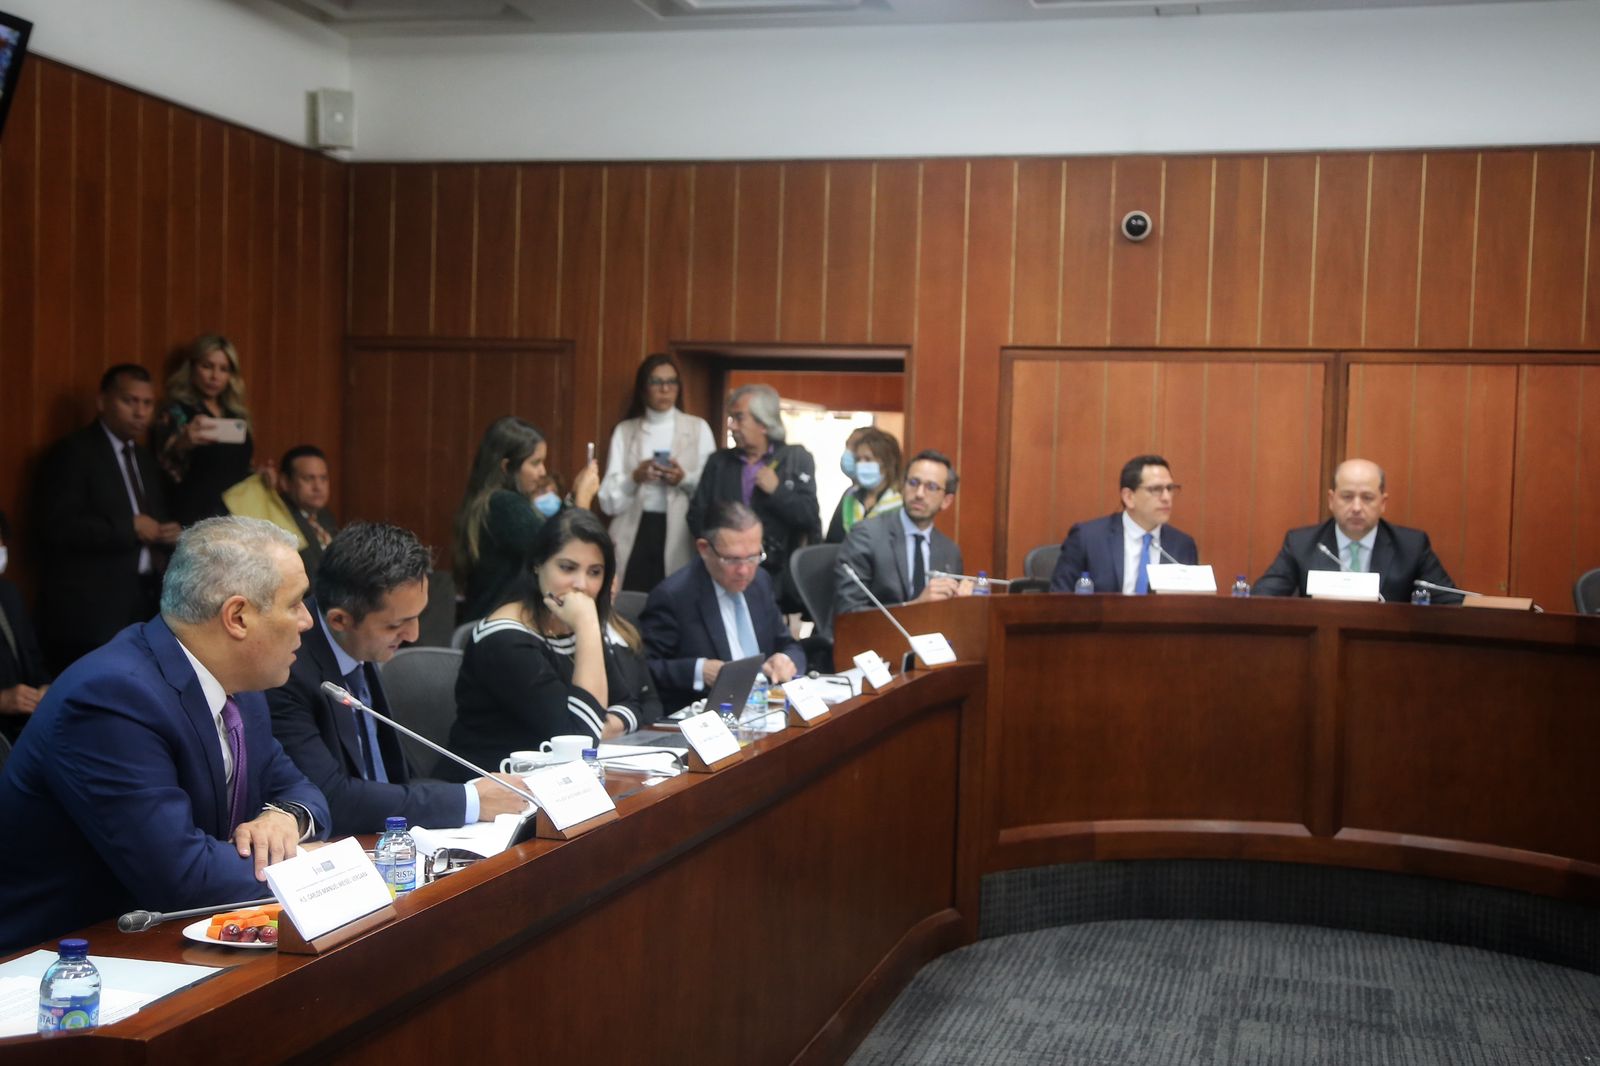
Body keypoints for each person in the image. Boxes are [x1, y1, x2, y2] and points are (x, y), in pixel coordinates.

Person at [0, 517, 330, 955]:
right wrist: (312, 867)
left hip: (165, 939)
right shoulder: (113, 697)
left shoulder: (240, 685)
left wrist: (284, 818)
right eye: (295, 603)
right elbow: (181, 875)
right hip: (65, 958)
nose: (308, 620)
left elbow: (302, 790)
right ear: (237, 617)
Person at [267, 523, 527, 836]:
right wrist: (470, 801)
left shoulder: (358, 643)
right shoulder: (285, 670)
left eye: (418, 616)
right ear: (340, 620)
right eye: (396, 625)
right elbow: (331, 799)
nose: (413, 635)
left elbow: (390, 779)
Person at [439, 508, 658, 782]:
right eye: (567, 568)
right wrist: (588, 626)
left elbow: (631, 704)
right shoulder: (505, 639)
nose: (582, 585)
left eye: (595, 572)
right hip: (491, 787)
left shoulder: (574, 623)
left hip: (556, 784)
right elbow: (580, 739)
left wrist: (596, 725)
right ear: (537, 564)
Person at [33, 364, 181, 674]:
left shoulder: (144, 459)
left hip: (146, 599)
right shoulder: (74, 452)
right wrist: (128, 527)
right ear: (102, 402)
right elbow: (57, 526)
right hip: (91, 607)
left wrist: (167, 531)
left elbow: (153, 516)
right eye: (130, 401)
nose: (140, 412)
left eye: (147, 403)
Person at [641, 501, 806, 714]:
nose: (744, 571)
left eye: (753, 557)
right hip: (709, 716)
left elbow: (788, 644)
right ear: (704, 549)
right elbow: (645, 669)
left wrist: (786, 660)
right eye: (732, 559)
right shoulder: (674, 596)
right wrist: (699, 670)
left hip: (765, 708)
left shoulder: (760, 581)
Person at [687, 385, 820, 614]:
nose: (732, 426)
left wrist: (777, 492)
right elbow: (696, 515)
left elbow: (808, 516)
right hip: (722, 576)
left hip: (775, 582)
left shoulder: (796, 458)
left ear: (764, 423)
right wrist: (726, 549)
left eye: (739, 418)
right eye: (731, 418)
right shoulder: (718, 462)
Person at [1253, 458, 1462, 604]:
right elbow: (1261, 598)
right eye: (1347, 497)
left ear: (1383, 503)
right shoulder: (1301, 544)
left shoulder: (1411, 547)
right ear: (1331, 500)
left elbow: (1452, 604)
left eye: (1367, 498)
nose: (1356, 507)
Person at [453, 416, 600, 623]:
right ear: (507, 467)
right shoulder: (503, 503)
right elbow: (562, 550)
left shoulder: (491, 501)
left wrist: (573, 498)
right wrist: (583, 501)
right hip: (499, 626)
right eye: (535, 463)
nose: (543, 472)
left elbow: (550, 531)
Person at [597, 354, 717, 594]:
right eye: (656, 382)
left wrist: (683, 479)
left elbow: (711, 490)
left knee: (676, 598)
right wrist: (635, 477)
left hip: (681, 531)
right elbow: (607, 502)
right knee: (628, 599)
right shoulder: (625, 431)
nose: (665, 389)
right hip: (635, 528)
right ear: (643, 388)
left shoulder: (698, 428)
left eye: (671, 382)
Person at [834, 450, 968, 622]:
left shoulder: (949, 551)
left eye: (931, 487)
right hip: (877, 636)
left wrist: (962, 604)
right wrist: (915, 607)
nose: (919, 493)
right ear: (903, 487)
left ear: (946, 500)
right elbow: (848, 613)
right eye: (913, 483)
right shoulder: (866, 536)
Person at [1048, 454, 1200, 594]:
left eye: (1170, 488)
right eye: (1156, 489)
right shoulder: (1087, 539)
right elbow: (1059, 599)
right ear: (1128, 497)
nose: (1167, 497)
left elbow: (1191, 605)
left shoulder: (1182, 545)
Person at [151, 334, 256, 526]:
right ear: (192, 367)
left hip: (237, 515)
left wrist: (261, 476)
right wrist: (181, 444)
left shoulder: (235, 414)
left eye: (223, 369)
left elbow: (241, 465)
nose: (215, 376)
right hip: (194, 514)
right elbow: (160, 467)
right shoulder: (177, 411)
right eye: (207, 366)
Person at [0, 509, 49, 741]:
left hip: (25, 729)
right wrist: (2, 700)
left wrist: (45, 688)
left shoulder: (9, 593)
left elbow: (34, 658)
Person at [826, 426, 904, 544]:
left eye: (868, 459)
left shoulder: (899, 503)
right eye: (858, 459)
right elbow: (832, 541)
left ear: (886, 463)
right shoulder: (850, 497)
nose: (861, 465)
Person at [279, 444, 339, 579]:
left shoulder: (325, 516)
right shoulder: (281, 519)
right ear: (285, 482)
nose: (318, 487)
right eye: (308, 478)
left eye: (323, 478)